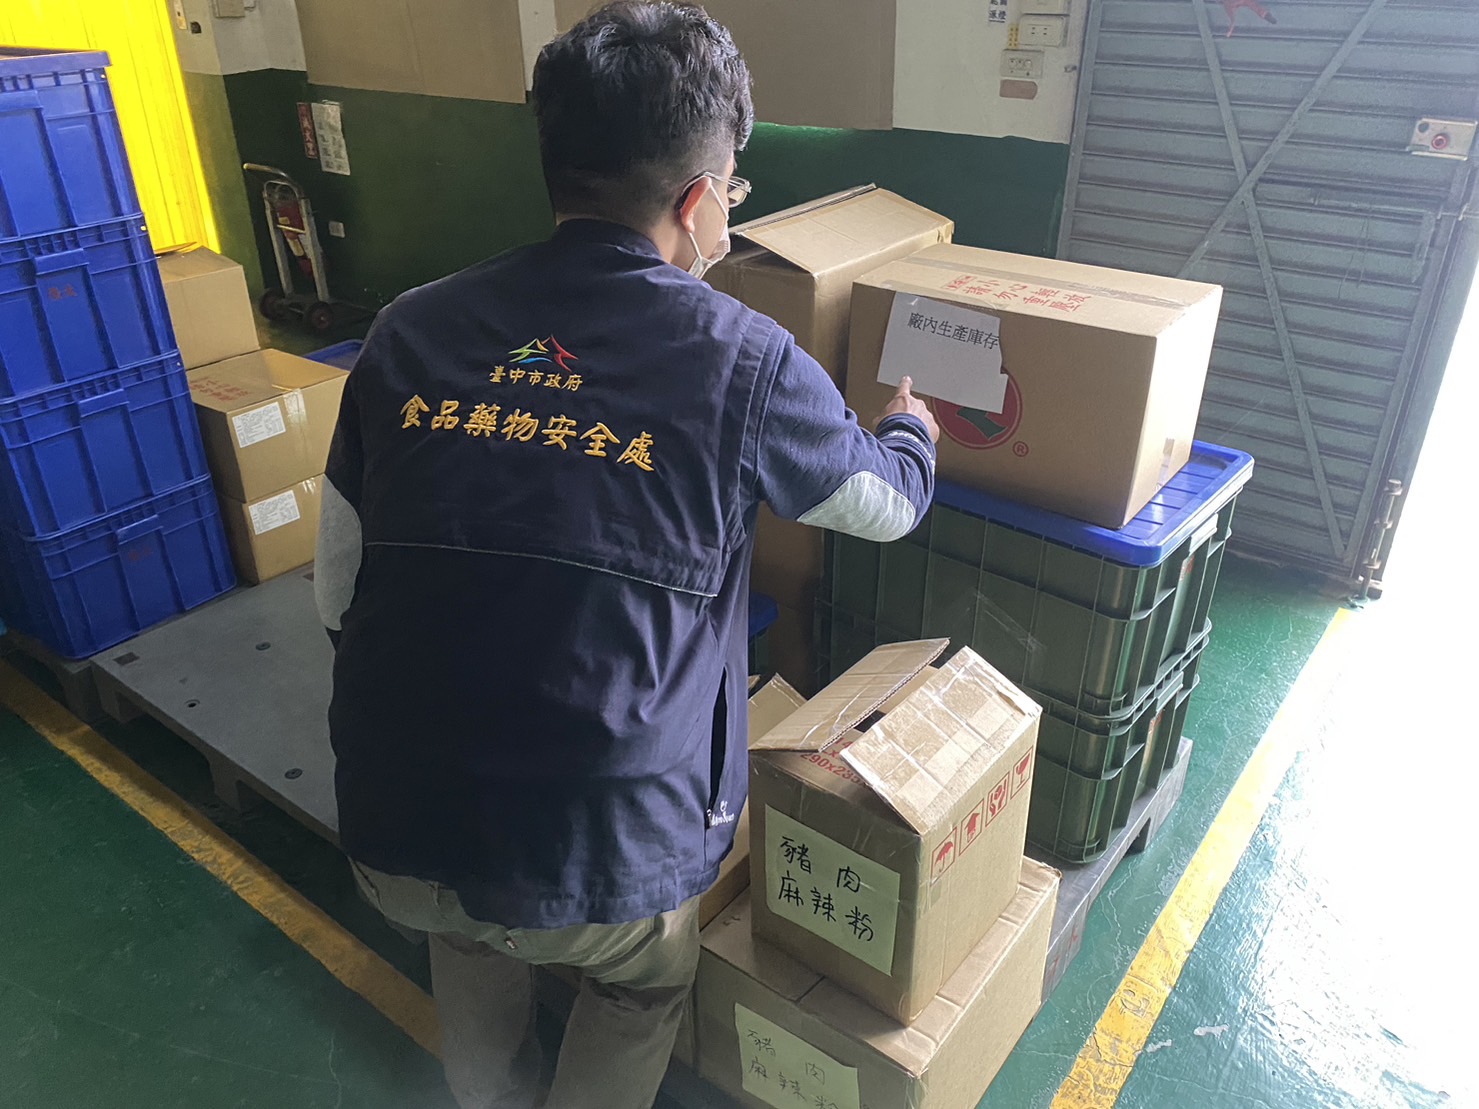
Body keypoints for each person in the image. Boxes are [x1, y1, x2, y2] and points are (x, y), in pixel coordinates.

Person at [314, 3, 939, 1106]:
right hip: (606, 862)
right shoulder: (744, 359)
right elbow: (886, 507)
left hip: (393, 830)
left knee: (463, 926)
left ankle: (485, 1091)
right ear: (697, 200)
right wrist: (910, 433)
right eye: (733, 191)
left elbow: (335, 595)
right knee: (643, 981)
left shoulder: (406, 328)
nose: (729, 213)